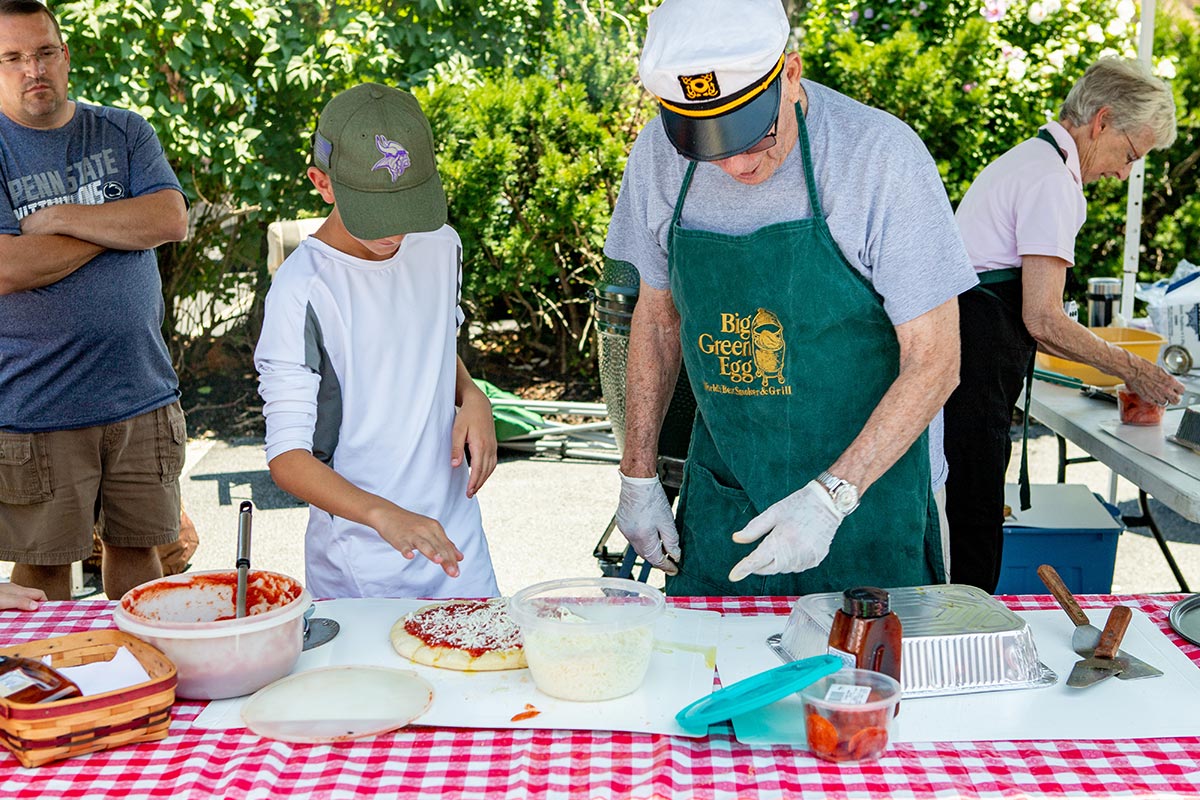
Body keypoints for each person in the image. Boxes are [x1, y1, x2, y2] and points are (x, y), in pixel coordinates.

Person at [607, 0, 978, 596]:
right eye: (709, 145)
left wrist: (833, 497)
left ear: (791, 73)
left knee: (864, 679)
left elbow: (937, 361)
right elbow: (656, 322)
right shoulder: (657, 156)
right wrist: (638, 477)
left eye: (756, 133)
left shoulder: (878, 158)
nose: (738, 164)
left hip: (870, 497)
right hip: (728, 492)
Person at [945, 57, 1184, 593]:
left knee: (968, 513)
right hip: (975, 362)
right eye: (1129, 154)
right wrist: (1132, 368)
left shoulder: (1029, 160)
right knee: (975, 522)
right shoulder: (1052, 181)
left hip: (967, 357)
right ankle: (972, 642)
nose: (1123, 174)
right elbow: (1044, 317)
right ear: (1101, 121)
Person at [255, 83, 500, 599]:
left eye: (407, 206)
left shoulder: (439, 241)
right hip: (361, 556)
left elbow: (429, 341)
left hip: (459, 538)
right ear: (322, 183)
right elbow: (288, 457)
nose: (395, 231)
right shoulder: (303, 289)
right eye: (375, 211)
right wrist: (381, 515)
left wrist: (472, 396)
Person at [0, 0, 189, 601]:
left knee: (143, 564)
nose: (34, 69)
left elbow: (168, 218)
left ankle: (136, 684)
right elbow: (7, 266)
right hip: (38, 404)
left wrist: (61, 218)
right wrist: (113, 229)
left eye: (45, 52)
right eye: (12, 57)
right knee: (44, 572)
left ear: (66, 57)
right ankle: (49, 696)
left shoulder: (123, 130)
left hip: (140, 393)